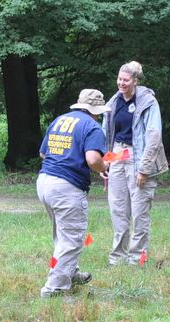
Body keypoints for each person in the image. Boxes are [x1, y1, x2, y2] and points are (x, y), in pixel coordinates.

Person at [37, 89, 110, 298]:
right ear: (96, 111)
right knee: (72, 238)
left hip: (44, 183)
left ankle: (71, 272)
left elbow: (43, 153)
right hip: (66, 188)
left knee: (62, 233)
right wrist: (104, 166)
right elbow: (93, 160)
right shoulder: (92, 127)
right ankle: (55, 288)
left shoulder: (60, 120)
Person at [102, 61, 168, 266]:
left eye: (126, 80)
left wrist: (144, 169)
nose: (121, 83)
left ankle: (136, 258)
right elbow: (106, 134)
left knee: (139, 211)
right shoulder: (114, 101)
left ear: (135, 81)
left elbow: (154, 136)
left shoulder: (148, 102)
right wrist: (105, 164)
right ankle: (117, 258)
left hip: (138, 156)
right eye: (120, 79)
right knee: (118, 209)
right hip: (117, 154)